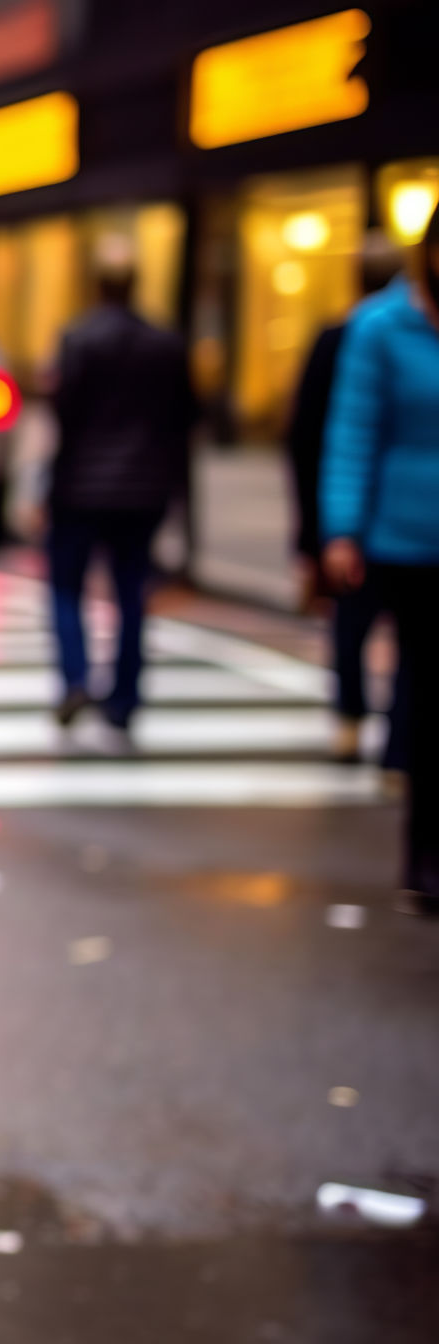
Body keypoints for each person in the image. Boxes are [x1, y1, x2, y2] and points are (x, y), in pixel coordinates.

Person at [321, 224, 439, 905]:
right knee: (422, 689)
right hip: (406, 538)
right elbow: (351, 430)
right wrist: (342, 529)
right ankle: (425, 853)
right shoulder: (382, 326)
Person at [44, 256, 197, 730]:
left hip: (81, 488)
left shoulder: (78, 338)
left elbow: (63, 416)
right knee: (131, 593)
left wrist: (46, 485)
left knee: (67, 588)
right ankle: (125, 698)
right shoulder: (166, 344)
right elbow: (184, 420)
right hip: (144, 490)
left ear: (98, 284)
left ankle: (75, 678)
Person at [288, 236, 407, 765]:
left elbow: (303, 436)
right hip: (368, 511)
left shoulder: (337, 336)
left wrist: (312, 528)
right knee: (400, 633)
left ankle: (353, 721)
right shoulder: (360, 336)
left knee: (355, 622)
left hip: (370, 515)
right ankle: (394, 742)